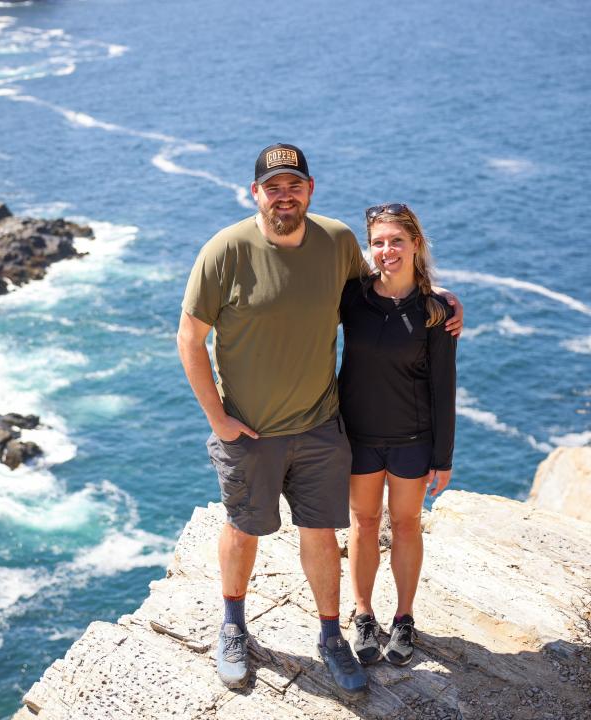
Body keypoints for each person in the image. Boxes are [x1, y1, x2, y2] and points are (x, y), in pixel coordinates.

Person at [176, 146, 462, 698]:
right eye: (273, 186)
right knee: (243, 527)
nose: (285, 195)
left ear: (310, 189)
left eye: (295, 185)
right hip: (249, 430)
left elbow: (383, 290)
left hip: (319, 427)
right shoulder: (225, 250)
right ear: (254, 192)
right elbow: (190, 338)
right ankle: (233, 625)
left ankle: (332, 636)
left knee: (322, 535)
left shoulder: (335, 242)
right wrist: (219, 418)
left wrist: (442, 299)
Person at [339, 203, 457, 669]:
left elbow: (444, 387)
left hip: (413, 438)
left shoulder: (436, 311)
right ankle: (364, 614)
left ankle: (404, 617)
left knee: (406, 525)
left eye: (396, 241)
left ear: (415, 245)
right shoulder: (352, 297)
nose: (386, 250)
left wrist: (443, 456)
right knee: (364, 523)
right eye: (378, 242)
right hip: (360, 435)